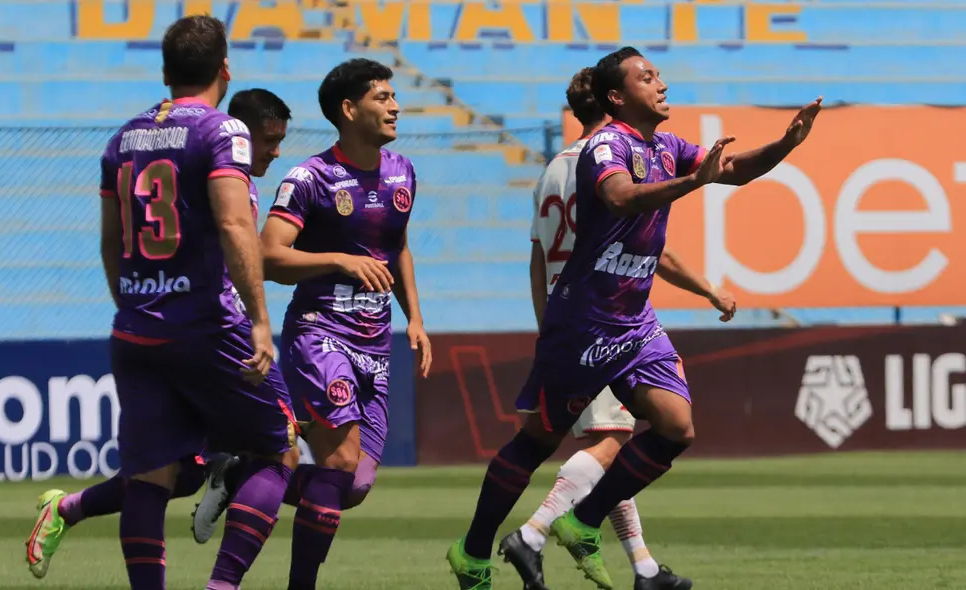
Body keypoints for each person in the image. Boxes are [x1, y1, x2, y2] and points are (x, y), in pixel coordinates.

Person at [448, 46, 822, 590]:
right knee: (539, 440)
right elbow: (621, 198)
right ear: (617, 96)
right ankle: (475, 551)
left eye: (659, 74)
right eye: (647, 77)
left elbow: (733, 170)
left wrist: (786, 144)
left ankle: (582, 521)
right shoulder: (606, 145)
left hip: (634, 319)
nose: (661, 83)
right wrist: (693, 184)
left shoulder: (667, 146)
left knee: (675, 427)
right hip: (585, 320)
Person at [36, 16, 298, 589]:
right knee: (280, 448)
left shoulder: (123, 139)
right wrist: (259, 320)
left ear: (165, 72)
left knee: (152, 476)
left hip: (136, 328)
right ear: (224, 69)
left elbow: (111, 240)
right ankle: (221, 585)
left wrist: (133, 306)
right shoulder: (222, 131)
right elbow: (234, 224)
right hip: (207, 327)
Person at [194, 57, 431, 590]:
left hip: (376, 343)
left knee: (354, 484)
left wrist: (414, 317)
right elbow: (267, 256)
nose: (395, 106)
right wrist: (339, 260)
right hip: (321, 334)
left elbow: (397, 247)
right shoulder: (310, 178)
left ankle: (242, 473)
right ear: (348, 109)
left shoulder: (403, 172)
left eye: (394, 96)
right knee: (342, 461)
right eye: (382, 97)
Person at [498, 67, 713, 590]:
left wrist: (546, 326)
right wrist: (708, 289)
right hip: (602, 318)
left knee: (612, 441)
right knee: (613, 442)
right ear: (614, 102)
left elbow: (536, 258)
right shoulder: (609, 162)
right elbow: (639, 245)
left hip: (565, 320)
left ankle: (643, 568)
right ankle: (532, 532)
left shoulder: (553, 168)